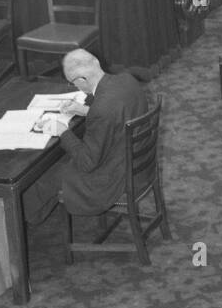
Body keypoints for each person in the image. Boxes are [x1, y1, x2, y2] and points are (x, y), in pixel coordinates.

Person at [24, 49, 150, 229]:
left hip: (115, 179)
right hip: (139, 165)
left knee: (45, 177)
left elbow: (86, 162)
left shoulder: (102, 108)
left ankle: (23, 226)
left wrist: (63, 131)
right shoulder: (127, 79)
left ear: (83, 79)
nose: (75, 87)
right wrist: (83, 110)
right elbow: (119, 114)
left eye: (73, 82)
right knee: (58, 165)